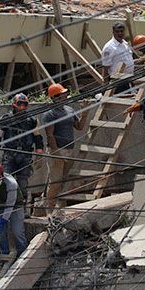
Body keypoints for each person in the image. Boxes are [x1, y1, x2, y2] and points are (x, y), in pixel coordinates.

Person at [42, 83, 87, 212]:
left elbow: (79, 127)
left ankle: (57, 206)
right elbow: (50, 135)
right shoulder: (50, 114)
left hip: (69, 149)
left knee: (64, 180)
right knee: (55, 181)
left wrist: (84, 113)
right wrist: (56, 152)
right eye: (63, 94)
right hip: (57, 150)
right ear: (55, 97)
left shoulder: (69, 110)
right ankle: (49, 209)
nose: (66, 96)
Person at [0, 93, 44, 204]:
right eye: (20, 104)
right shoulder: (6, 119)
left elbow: (38, 138)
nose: (22, 107)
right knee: (6, 181)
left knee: (23, 183)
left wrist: (39, 155)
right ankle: (6, 206)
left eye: (24, 104)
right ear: (14, 105)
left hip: (25, 156)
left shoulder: (32, 121)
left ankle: (22, 208)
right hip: (9, 155)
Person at [101, 22, 134, 91]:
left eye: (121, 31)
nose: (120, 34)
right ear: (113, 32)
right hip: (117, 82)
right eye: (117, 32)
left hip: (128, 79)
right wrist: (105, 87)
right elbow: (105, 69)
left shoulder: (125, 44)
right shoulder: (109, 47)